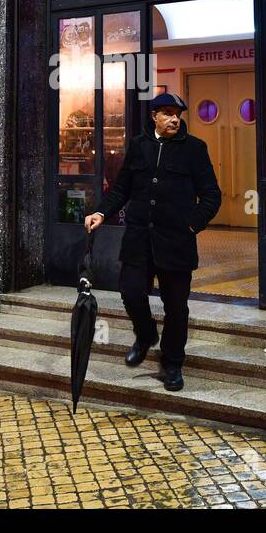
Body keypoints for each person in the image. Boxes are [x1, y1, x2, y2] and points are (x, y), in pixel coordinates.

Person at [84, 92, 221, 392]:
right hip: (138, 239)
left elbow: (212, 196)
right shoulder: (138, 145)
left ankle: (172, 364)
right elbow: (123, 188)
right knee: (131, 292)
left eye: (178, 114)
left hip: (176, 242)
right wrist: (100, 212)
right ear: (154, 116)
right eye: (168, 113)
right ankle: (145, 335)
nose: (174, 119)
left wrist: (191, 225)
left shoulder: (195, 149)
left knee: (176, 307)